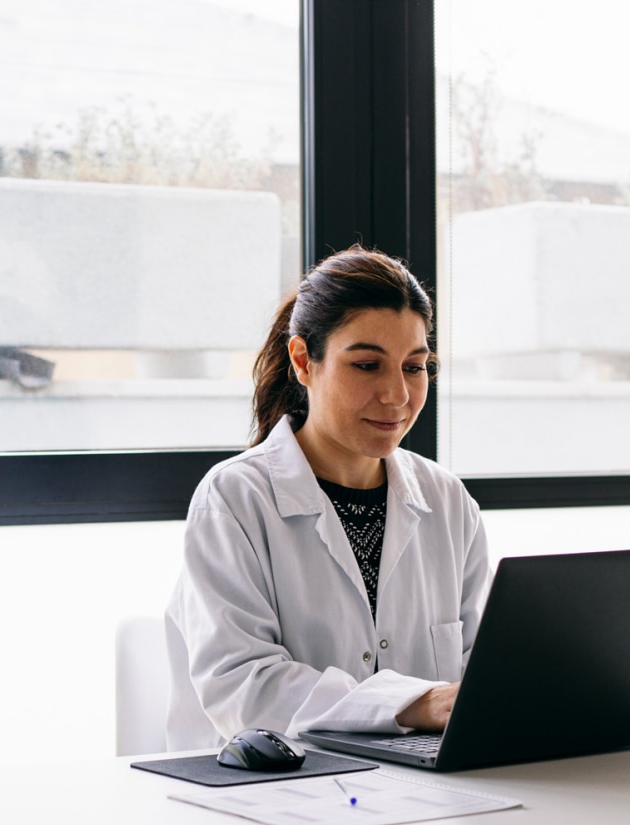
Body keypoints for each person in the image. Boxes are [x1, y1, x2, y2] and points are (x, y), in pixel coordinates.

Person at [164, 246, 489, 751]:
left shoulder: (447, 500)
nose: (397, 395)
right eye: (366, 365)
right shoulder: (235, 498)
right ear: (303, 361)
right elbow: (242, 686)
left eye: (415, 367)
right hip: (272, 792)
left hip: (421, 790)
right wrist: (412, 704)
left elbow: (483, 673)